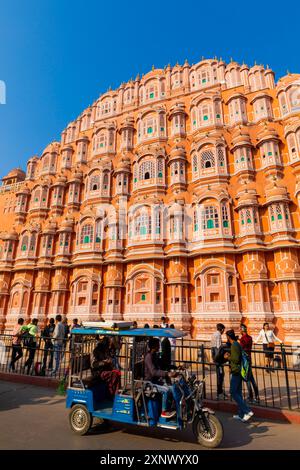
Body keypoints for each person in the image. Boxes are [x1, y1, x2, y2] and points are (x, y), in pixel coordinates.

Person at [144, 337, 178, 418]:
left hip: (155, 380)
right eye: (158, 345)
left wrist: (175, 367)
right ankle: (164, 411)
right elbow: (154, 372)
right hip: (149, 383)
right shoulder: (148, 357)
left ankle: (171, 407)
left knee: (171, 387)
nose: (159, 346)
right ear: (154, 346)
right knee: (166, 390)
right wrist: (167, 374)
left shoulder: (154, 355)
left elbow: (163, 364)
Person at [224, 329, 253, 422]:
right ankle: (241, 414)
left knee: (233, 391)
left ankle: (247, 411)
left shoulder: (234, 346)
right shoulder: (237, 344)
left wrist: (228, 356)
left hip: (236, 371)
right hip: (239, 371)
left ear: (228, 337)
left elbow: (236, 359)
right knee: (239, 393)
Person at [239, 324, 259, 403]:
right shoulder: (250, 338)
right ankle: (256, 396)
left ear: (242, 330)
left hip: (244, 360)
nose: (240, 330)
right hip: (249, 358)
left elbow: (241, 347)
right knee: (251, 378)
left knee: (247, 378)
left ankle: (250, 396)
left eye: (240, 329)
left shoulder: (243, 339)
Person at [210, 323, 227, 400]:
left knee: (220, 374)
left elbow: (213, 347)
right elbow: (219, 347)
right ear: (222, 329)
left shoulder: (213, 334)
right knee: (220, 375)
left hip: (215, 357)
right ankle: (219, 392)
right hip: (219, 359)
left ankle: (220, 391)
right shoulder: (219, 335)